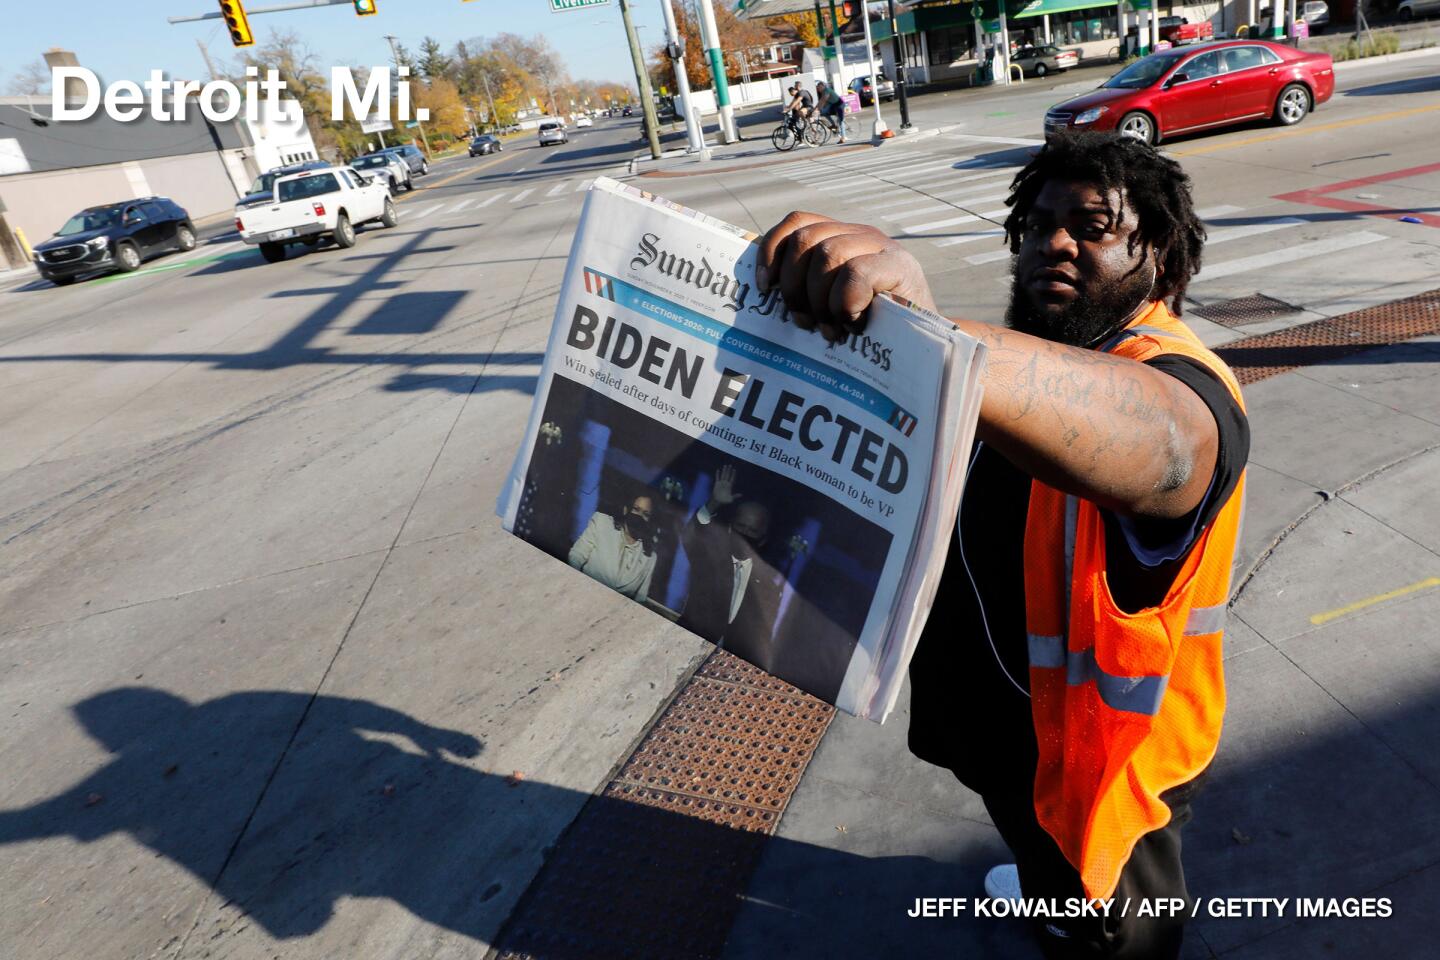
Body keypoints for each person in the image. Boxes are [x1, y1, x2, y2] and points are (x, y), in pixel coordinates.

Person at [755, 132, 1248, 960]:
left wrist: (928, 340)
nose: (1055, 242)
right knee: (1036, 847)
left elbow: (1168, 441)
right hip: (1011, 738)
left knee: (1112, 932)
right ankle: (1042, 882)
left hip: (1102, 768)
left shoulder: (1177, 375)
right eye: (1040, 224)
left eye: (1093, 227)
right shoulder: (1040, 354)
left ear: (1158, 256)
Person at [677, 465, 784, 672]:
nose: (744, 534)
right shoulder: (711, 557)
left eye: (752, 531)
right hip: (683, 649)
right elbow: (690, 536)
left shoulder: (769, 586)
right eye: (740, 527)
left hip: (727, 669)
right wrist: (714, 503)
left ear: (762, 539)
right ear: (730, 527)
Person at [567, 493, 659, 602]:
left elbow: (640, 599)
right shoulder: (602, 523)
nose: (639, 516)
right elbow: (576, 557)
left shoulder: (650, 557)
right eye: (636, 509)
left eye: (646, 514)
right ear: (626, 509)